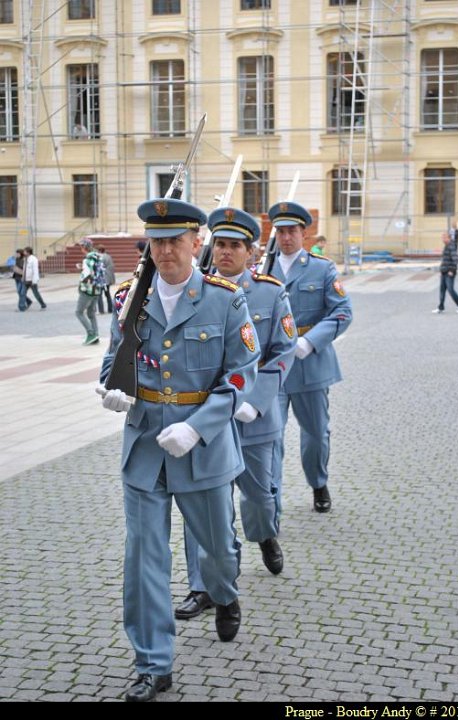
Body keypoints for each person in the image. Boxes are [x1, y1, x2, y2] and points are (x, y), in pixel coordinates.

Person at [97, 198, 260, 702]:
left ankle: (225, 594)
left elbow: (241, 373)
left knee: (216, 551)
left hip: (201, 446)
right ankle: (153, 663)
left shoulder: (225, 299)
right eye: (156, 241)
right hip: (145, 446)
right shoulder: (131, 297)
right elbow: (111, 361)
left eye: (175, 240)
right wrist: (111, 389)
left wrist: (199, 426)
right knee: (144, 558)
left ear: (197, 243)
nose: (165, 250)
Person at [175, 207, 296, 621]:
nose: (225, 252)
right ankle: (204, 586)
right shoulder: (197, 291)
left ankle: (265, 535)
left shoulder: (269, 292)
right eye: (220, 244)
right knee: (204, 510)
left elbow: (281, 354)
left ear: (251, 251)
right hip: (208, 422)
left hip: (253, 420)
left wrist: (256, 400)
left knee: (259, 499)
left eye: (234, 246)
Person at [268, 201, 353, 514]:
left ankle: (318, 482)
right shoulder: (262, 269)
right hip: (272, 366)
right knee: (270, 435)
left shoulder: (322, 267)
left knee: (316, 433)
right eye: (281, 231)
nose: (286, 237)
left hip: (310, 363)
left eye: (292, 230)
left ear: (304, 233)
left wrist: (310, 341)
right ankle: (270, 496)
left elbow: (343, 312)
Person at [432, 232, 458, 314]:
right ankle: (441, 308)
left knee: (451, 290)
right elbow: (444, 260)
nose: (443, 239)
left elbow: (455, 260)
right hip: (444, 271)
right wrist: (441, 270)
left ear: (449, 238)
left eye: (444, 237)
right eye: (442, 237)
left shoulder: (451, 246)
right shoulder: (446, 246)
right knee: (442, 290)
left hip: (449, 272)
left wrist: (452, 270)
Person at [75, 238, 103, 345]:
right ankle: (96, 335)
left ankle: (91, 334)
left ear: (84, 247)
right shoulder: (97, 257)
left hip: (87, 289)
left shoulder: (87, 260)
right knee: (91, 313)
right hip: (97, 289)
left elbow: (87, 274)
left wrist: (82, 281)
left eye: (81, 247)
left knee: (79, 312)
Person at [97, 245, 116, 314]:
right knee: (107, 294)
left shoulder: (98, 257)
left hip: (101, 278)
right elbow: (112, 268)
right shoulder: (108, 256)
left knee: (99, 295)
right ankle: (110, 309)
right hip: (108, 278)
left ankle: (101, 310)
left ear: (98, 250)